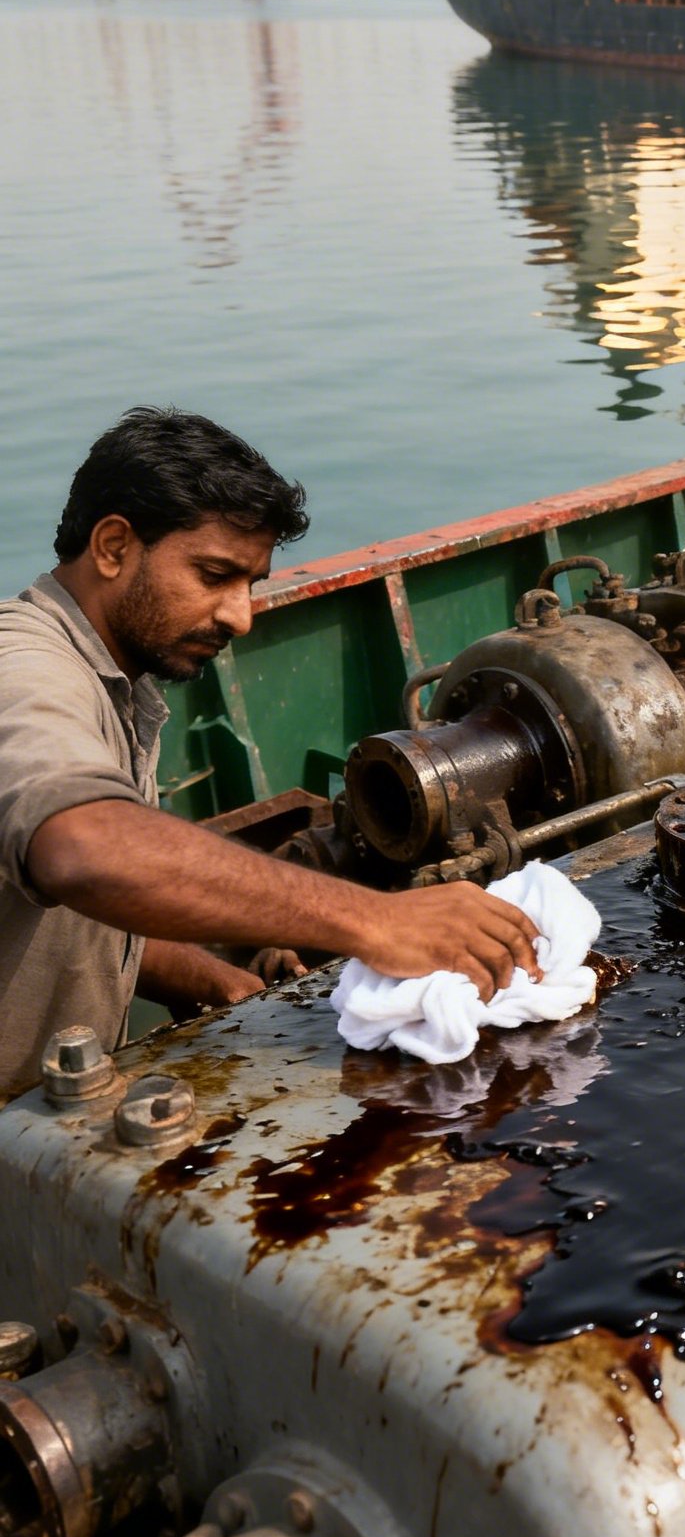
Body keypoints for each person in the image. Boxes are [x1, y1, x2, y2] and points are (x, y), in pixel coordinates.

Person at [0, 408, 540, 1101]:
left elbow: (75, 915)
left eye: (250, 583)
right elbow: (85, 850)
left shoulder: (118, 681)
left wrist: (213, 981)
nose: (241, 615)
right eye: (214, 575)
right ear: (112, 547)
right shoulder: (25, 670)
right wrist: (377, 921)